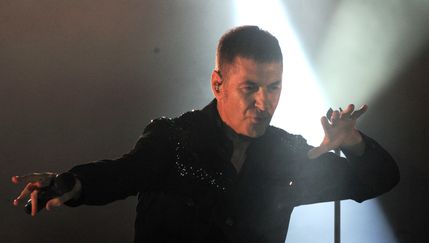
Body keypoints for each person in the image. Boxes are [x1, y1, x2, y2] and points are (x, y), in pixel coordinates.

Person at [12, 26, 399, 243]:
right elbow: (120, 174)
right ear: (218, 84)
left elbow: (379, 178)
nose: (264, 103)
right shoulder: (173, 139)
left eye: (275, 87)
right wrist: (72, 183)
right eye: (250, 88)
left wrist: (354, 144)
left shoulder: (287, 153)